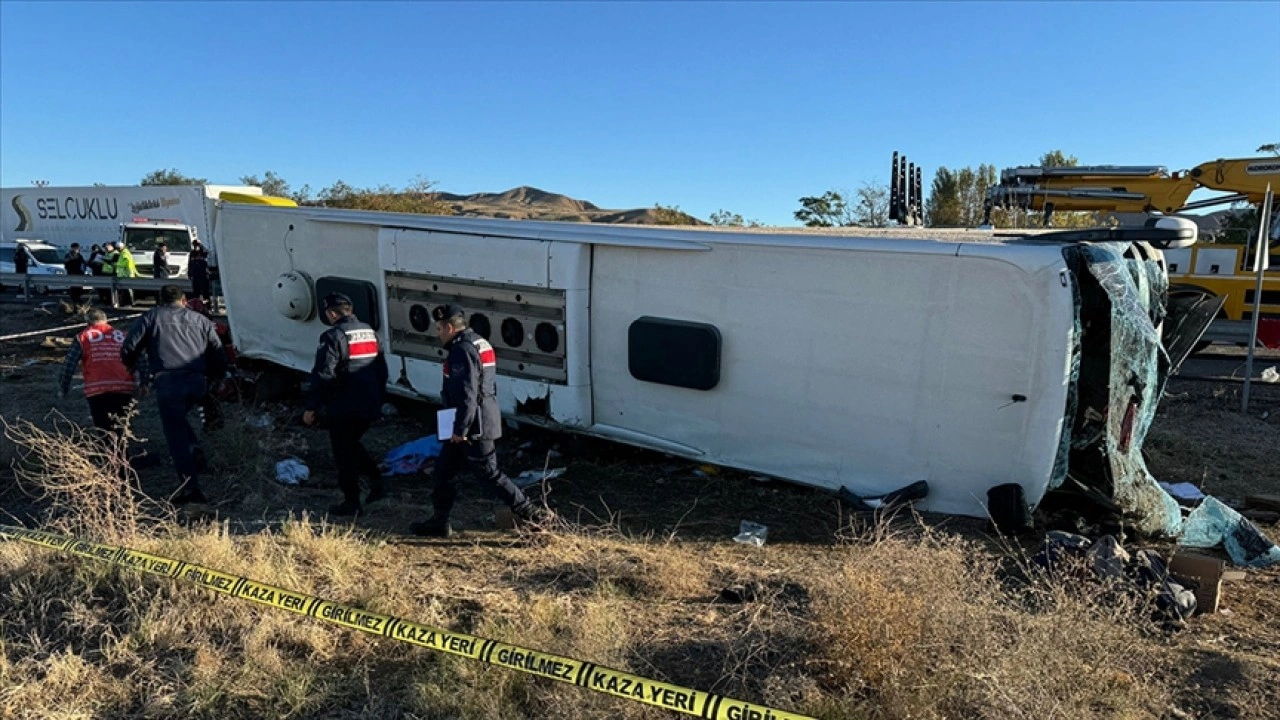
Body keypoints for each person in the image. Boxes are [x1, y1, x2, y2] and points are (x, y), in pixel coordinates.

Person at [409, 304, 553, 538]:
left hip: (472, 425)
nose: (437, 334)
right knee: (443, 472)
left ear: (448, 327)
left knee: (489, 474)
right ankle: (439, 522)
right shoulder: (478, 341)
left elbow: (468, 393)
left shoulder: (461, 350)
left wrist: (460, 429)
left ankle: (536, 516)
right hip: (474, 420)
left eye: (438, 329)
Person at [121, 284, 225, 504]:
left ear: (160, 300)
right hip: (197, 381)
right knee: (179, 420)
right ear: (184, 299)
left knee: (174, 434)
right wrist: (214, 380)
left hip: (169, 381)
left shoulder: (151, 317)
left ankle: (191, 490)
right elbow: (218, 352)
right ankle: (194, 449)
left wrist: (133, 367)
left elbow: (129, 347)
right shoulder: (201, 320)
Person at [303, 292, 389, 516]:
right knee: (351, 445)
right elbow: (381, 370)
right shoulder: (370, 333)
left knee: (343, 453)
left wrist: (312, 407)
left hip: (344, 406)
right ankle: (376, 481)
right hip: (369, 403)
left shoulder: (333, 336)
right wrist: (380, 399)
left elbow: (323, 374)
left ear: (332, 313)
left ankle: (352, 501)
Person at [58, 308, 139, 435]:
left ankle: (109, 453)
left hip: (97, 388)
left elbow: (69, 364)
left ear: (87, 322)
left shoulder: (83, 336)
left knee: (103, 426)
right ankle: (121, 451)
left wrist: (64, 387)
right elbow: (140, 358)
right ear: (106, 320)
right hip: (124, 385)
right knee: (121, 425)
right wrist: (144, 381)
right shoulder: (123, 335)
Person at [113, 242, 138, 306]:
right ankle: (128, 303)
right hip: (126, 274)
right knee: (126, 290)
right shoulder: (124, 252)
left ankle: (129, 303)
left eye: (118, 248)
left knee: (127, 290)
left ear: (121, 247)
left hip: (126, 274)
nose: (117, 250)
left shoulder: (125, 253)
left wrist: (116, 264)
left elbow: (124, 263)